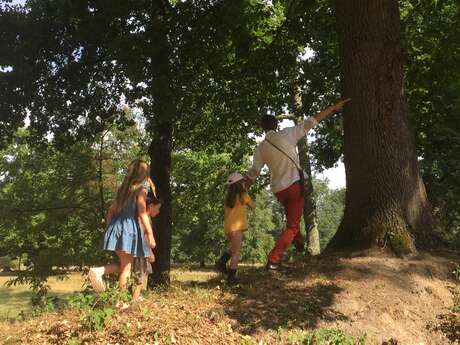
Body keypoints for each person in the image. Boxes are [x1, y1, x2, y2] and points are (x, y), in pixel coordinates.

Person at [245, 99, 350, 270]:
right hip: (294, 187)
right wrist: (332, 108)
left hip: (279, 190)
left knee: (292, 219)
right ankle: (273, 260)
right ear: (276, 124)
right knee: (292, 227)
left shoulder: (261, 148)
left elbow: (253, 172)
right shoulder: (287, 134)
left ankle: (300, 244)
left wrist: (242, 189)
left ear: (262, 127)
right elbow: (311, 122)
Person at [88, 159, 156, 295]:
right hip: (128, 230)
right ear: (144, 173)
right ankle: (120, 301)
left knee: (125, 266)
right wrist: (149, 233)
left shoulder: (124, 190)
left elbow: (111, 212)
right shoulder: (142, 189)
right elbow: (142, 212)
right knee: (126, 268)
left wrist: (110, 229)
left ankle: (101, 272)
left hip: (117, 228)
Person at [215, 172, 256, 284]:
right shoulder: (243, 196)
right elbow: (253, 206)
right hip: (237, 227)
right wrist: (247, 191)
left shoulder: (229, 198)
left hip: (228, 228)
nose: (244, 183)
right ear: (240, 184)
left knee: (233, 248)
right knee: (236, 252)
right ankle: (231, 278)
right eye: (243, 181)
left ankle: (221, 262)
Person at [132, 193, 161, 302]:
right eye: (157, 208)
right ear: (151, 206)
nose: (158, 212)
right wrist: (150, 252)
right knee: (140, 277)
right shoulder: (146, 220)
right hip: (142, 252)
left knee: (138, 275)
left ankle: (135, 296)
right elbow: (145, 238)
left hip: (137, 250)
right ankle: (134, 299)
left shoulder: (139, 218)